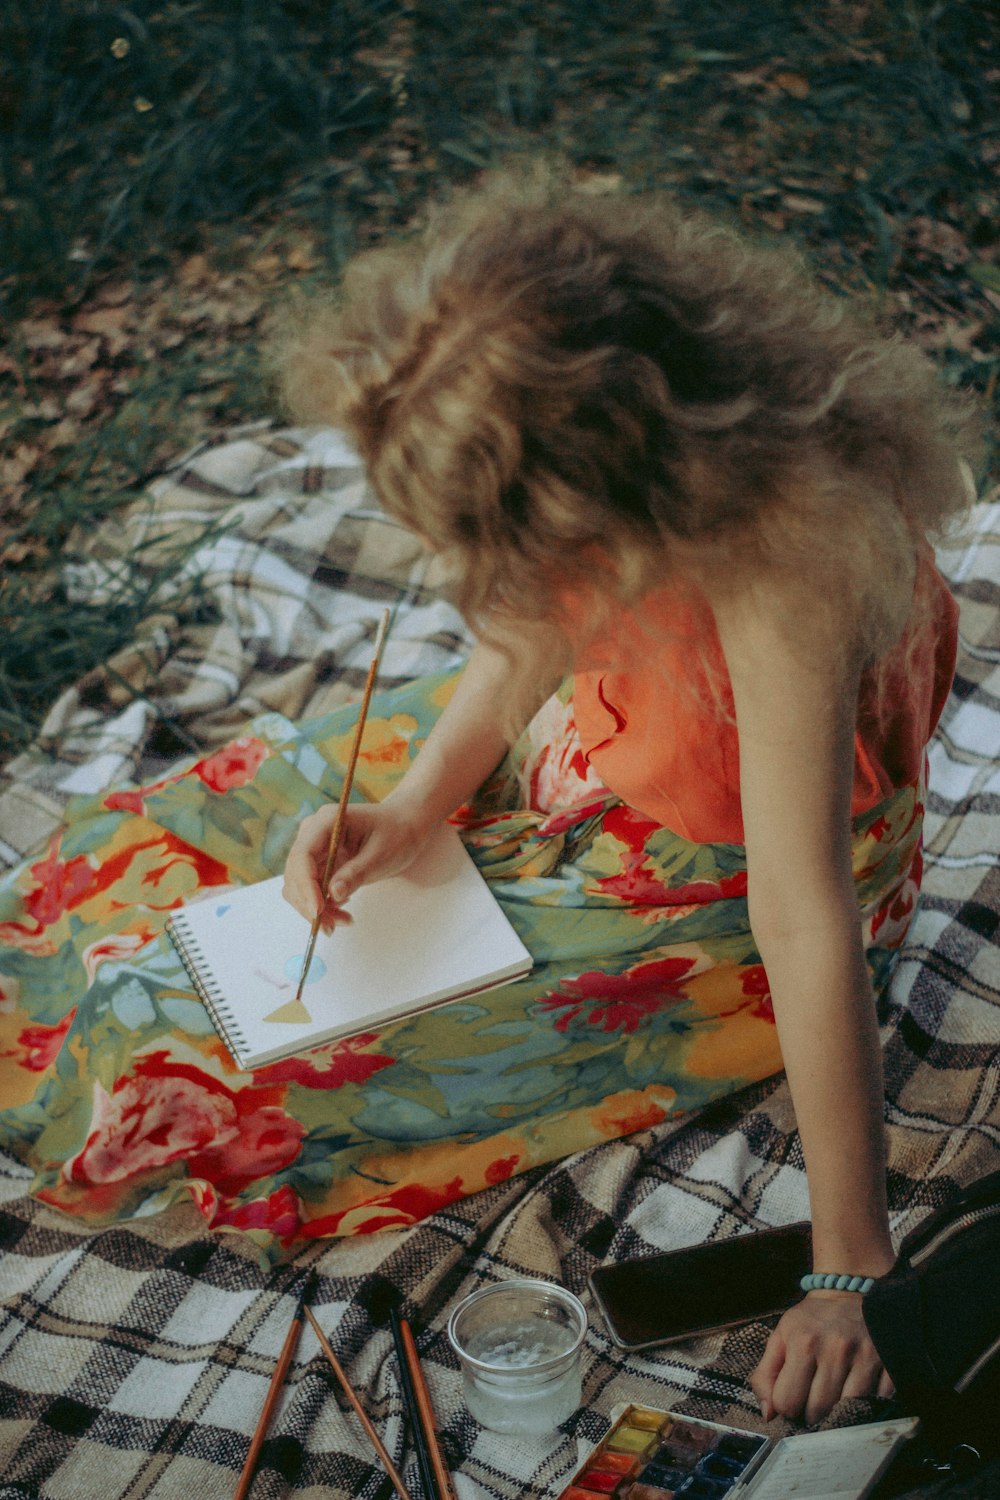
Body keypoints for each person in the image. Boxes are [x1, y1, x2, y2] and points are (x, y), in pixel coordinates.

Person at [278, 174, 976, 1426]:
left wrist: (847, 1256)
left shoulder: (788, 561)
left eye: (504, 552)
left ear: (618, 504)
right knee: (200, 842)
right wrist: (417, 804)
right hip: (615, 740)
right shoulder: (619, 513)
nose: (468, 586)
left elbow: (801, 912)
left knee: (302, 1071)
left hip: (743, 849)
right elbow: (521, 631)